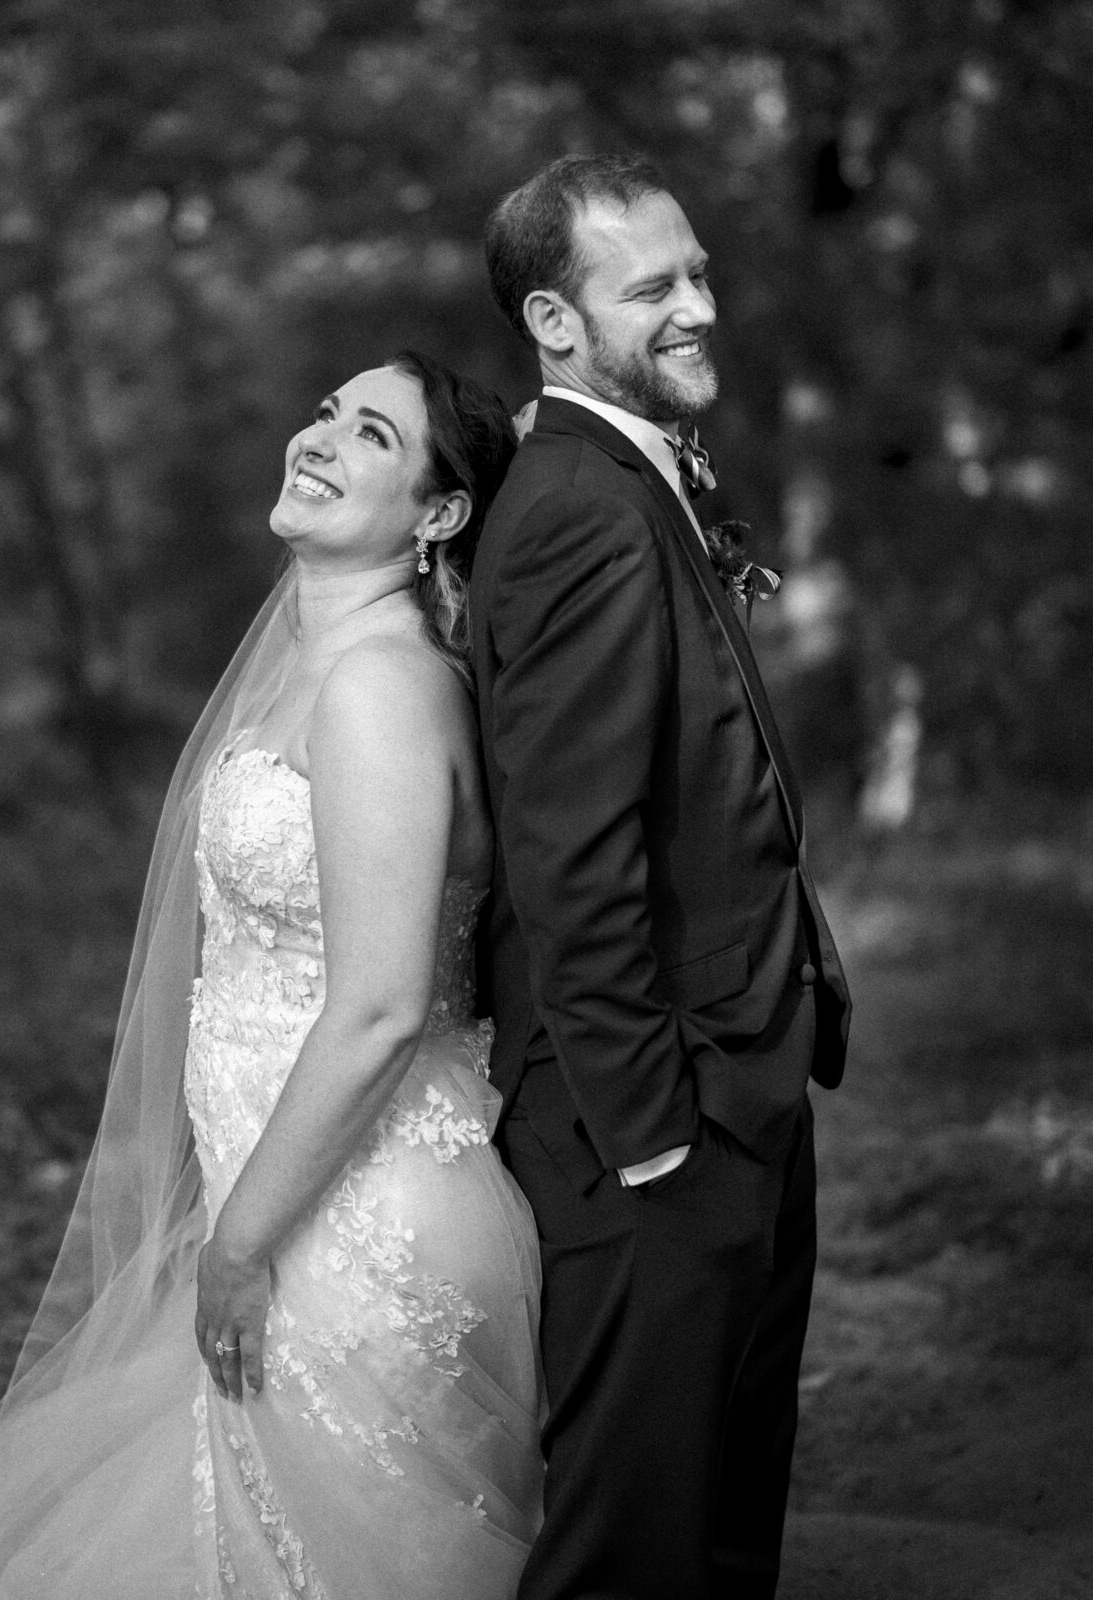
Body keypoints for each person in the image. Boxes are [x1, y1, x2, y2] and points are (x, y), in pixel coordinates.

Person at [0, 351, 540, 1599]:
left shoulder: (376, 689)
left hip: (363, 1223)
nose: (318, 438)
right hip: (298, 1183)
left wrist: (241, 1242)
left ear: (438, 512)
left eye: (369, 435)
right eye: (322, 412)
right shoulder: (318, 666)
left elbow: (377, 1007)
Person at [471, 154, 853, 1600]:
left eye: (699, 272)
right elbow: (573, 855)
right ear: (557, 324)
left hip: (742, 1075)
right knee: (633, 1547)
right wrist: (651, 1141)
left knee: (722, 1516)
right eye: (656, 288)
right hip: (653, 1119)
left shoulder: (633, 473)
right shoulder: (578, 507)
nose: (701, 304)